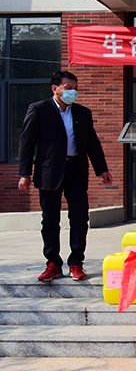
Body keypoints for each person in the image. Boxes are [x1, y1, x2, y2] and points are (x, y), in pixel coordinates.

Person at [18, 70, 113, 282]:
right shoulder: (39, 109)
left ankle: (76, 263)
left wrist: (102, 169)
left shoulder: (82, 113)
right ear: (55, 89)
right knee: (50, 220)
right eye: (68, 88)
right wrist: (25, 173)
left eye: (75, 89)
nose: (73, 93)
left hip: (76, 170)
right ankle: (53, 263)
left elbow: (92, 143)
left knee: (79, 218)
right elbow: (27, 143)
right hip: (49, 172)